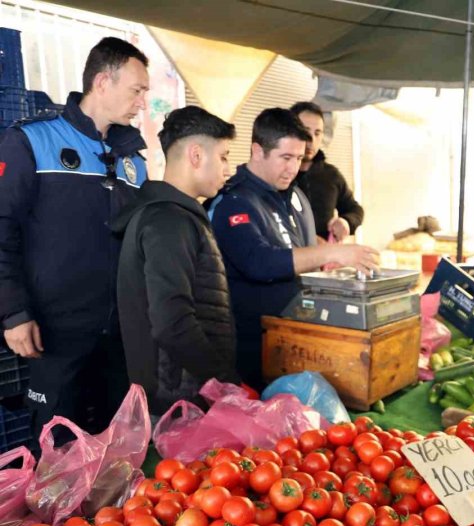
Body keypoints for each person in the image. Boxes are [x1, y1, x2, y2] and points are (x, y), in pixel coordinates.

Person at [0, 37, 149, 437]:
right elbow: (2, 229)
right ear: (103, 82)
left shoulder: (134, 159)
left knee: (115, 448)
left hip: (119, 334)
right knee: (55, 448)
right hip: (53, 332)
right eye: (137, 90)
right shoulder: (31, 140)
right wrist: (13, 312)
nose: (142, 103)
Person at [208, 108, 379, 387]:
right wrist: (332, 252)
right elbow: (259, 262)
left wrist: (328, 263)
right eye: (285, 158)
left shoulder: (295, 194)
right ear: (257, 150)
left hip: (298, 341)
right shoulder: (233, 201)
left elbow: (303, 255)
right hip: (253, 351)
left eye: (299, 158)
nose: (293, 168)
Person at [112, 106, 240, 415]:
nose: (228, 169)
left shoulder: (174, 216)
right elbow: (172, 324)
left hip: (185, 393)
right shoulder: (168, 221)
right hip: (177, 403)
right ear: (196, 155)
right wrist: (224, 383)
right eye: (223, 156)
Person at [289, 101, 364, 242]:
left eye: (317, 133)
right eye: (305, 131)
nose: (311, 140)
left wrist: (346, 222)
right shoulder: (277, 176)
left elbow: (355, 209)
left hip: (326, 260)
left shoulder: (331, 175)